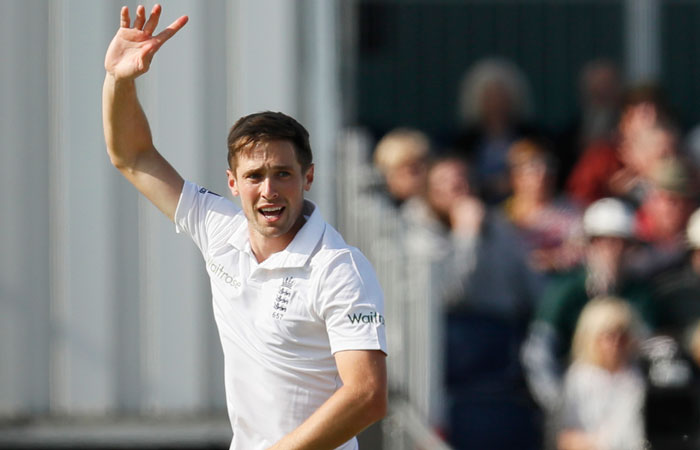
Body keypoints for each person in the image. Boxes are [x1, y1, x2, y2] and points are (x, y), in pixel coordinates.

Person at [102, 5, 387, 450]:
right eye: (255, 176)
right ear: (233, 183)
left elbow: (367, 395)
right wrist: (119, 81)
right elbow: (132, 157)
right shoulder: (220, 229)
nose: (269, 190)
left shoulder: (339, 268)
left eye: (283, 174)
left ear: (307, 177)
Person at [521, 197, 657, 415]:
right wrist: (558, 404)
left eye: (621, 243)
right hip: (574, 393)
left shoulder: (639, 293)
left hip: (627, 395)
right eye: (603, 241)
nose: (612, 251)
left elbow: (647, 349)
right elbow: (538, 352)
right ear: (589, 244)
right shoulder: (566, 289)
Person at [555, 297, 647, 450]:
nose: (616, 343)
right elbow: (566, 438)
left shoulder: (640, 375)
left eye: (622, 336)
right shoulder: (579, 378)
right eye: (609, 336)